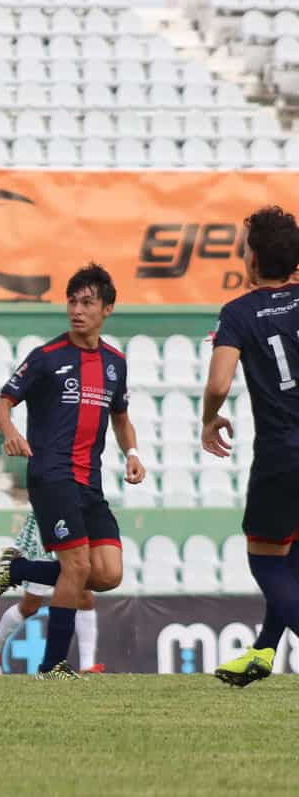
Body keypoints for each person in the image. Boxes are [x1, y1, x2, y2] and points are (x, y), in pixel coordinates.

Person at [0, 263, 146, 680]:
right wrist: (11, 432)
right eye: (72, 302)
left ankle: (17, 570)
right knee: (77, 568)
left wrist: (132, 453)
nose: (77, 310)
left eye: (87, 302)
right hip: (51, 475)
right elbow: (0, 405)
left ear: (107, 308)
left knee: (107, 574)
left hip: (90, 481)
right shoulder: (46, 358)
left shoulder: (115, 363)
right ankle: (52, 665)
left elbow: (121, 417)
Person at [200, 206, 299, 687]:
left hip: (284, 451)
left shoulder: (239, 312)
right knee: (293, 554)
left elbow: (220, 383)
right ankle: (263, 651)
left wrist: (208, 418)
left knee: (265, 558)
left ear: (253, 258)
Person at [0, 514, 103, 675]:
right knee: (30, 605)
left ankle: (87, 666)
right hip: (48, 524)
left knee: (84, 595)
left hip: (75, 521)